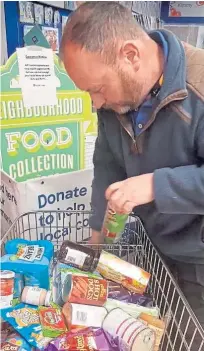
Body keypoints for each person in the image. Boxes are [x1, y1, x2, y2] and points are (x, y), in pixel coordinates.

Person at [60, 1, 204, 330]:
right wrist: (96, 244)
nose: (95, 103)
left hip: (198, 258)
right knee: (148, 331)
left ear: (130, 55)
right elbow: (107, 164)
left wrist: (154, 185)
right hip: (153, 249)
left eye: (97, 89)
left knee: (189, 335)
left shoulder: (199, 84)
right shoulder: (115, 100)